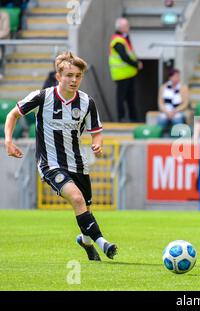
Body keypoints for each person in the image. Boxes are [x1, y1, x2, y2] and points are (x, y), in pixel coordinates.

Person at [4, 52, 118, 261]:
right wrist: (9, 140)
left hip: (78, 163)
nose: (74, 80)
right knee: (77, 198)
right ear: (58, 76)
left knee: (85, 208)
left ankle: (86, 242)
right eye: (69, 75)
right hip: (50, 163)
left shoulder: (86, 103)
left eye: (78, 76)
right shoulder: (42, 97)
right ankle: (104, 244)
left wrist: (97, 144)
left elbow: (97, 131)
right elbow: (13, 114)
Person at [109, 17, 143, 122]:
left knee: (130, 98)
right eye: (127, 26)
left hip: (129, 73)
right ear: (121, 27)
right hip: (122, 74)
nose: (129, 27)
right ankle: (121, 118)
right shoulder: (117, 40)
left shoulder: (124, 38)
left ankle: (133, 118)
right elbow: (124, 57)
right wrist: (136, 64)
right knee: (122, 97)